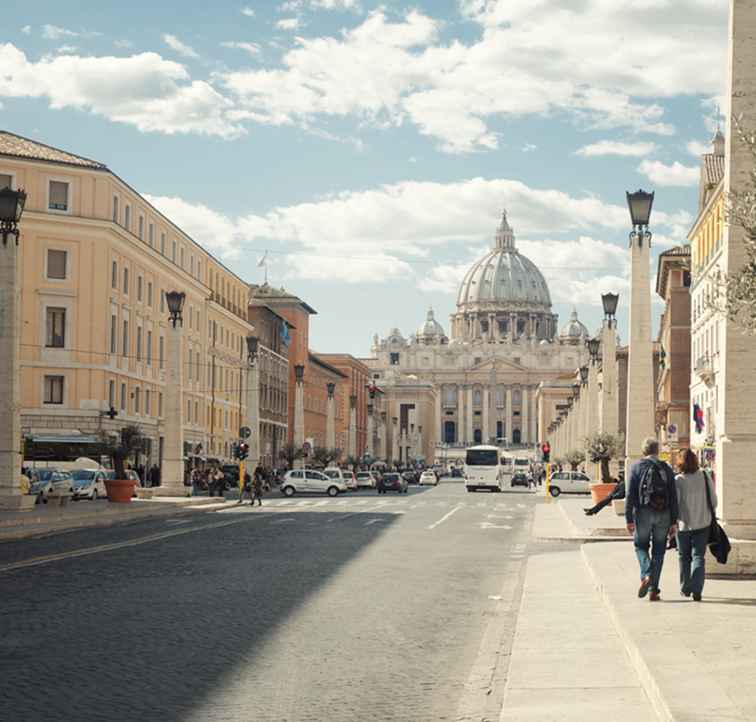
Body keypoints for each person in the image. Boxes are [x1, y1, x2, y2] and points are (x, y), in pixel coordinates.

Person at [625, 437, 678, 601]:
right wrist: (674, 520)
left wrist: (629, 519)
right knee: (659, 550)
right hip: (664, 513)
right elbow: (673, 495)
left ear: (644, 451)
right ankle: (653, 590)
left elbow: (630, 495)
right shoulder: (666, 468)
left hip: (643, 512)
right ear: (657, 451)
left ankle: (646, 574)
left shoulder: (636, 467)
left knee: (640, 545)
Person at [675, 449, 717, 601]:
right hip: (703, 523)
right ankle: (697, 589)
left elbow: (676, 504)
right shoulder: (705, 476)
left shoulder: (678, 480)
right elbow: (714, 501)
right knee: (699, 555)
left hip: (683, 525)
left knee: (683, 556)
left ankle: (686, 588)